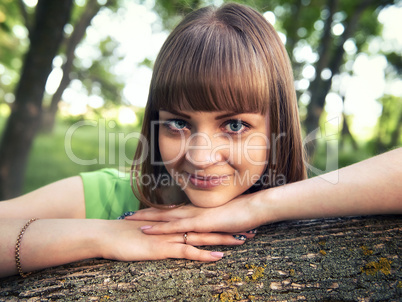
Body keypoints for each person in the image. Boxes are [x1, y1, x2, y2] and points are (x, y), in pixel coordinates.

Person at [0, 3, 401, 279]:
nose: (201, 156)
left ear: (276, 127)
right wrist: (103, 234)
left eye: (235, 125)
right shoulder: (109, 194)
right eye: (177, 123)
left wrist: (260, 206)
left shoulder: (316, 203)